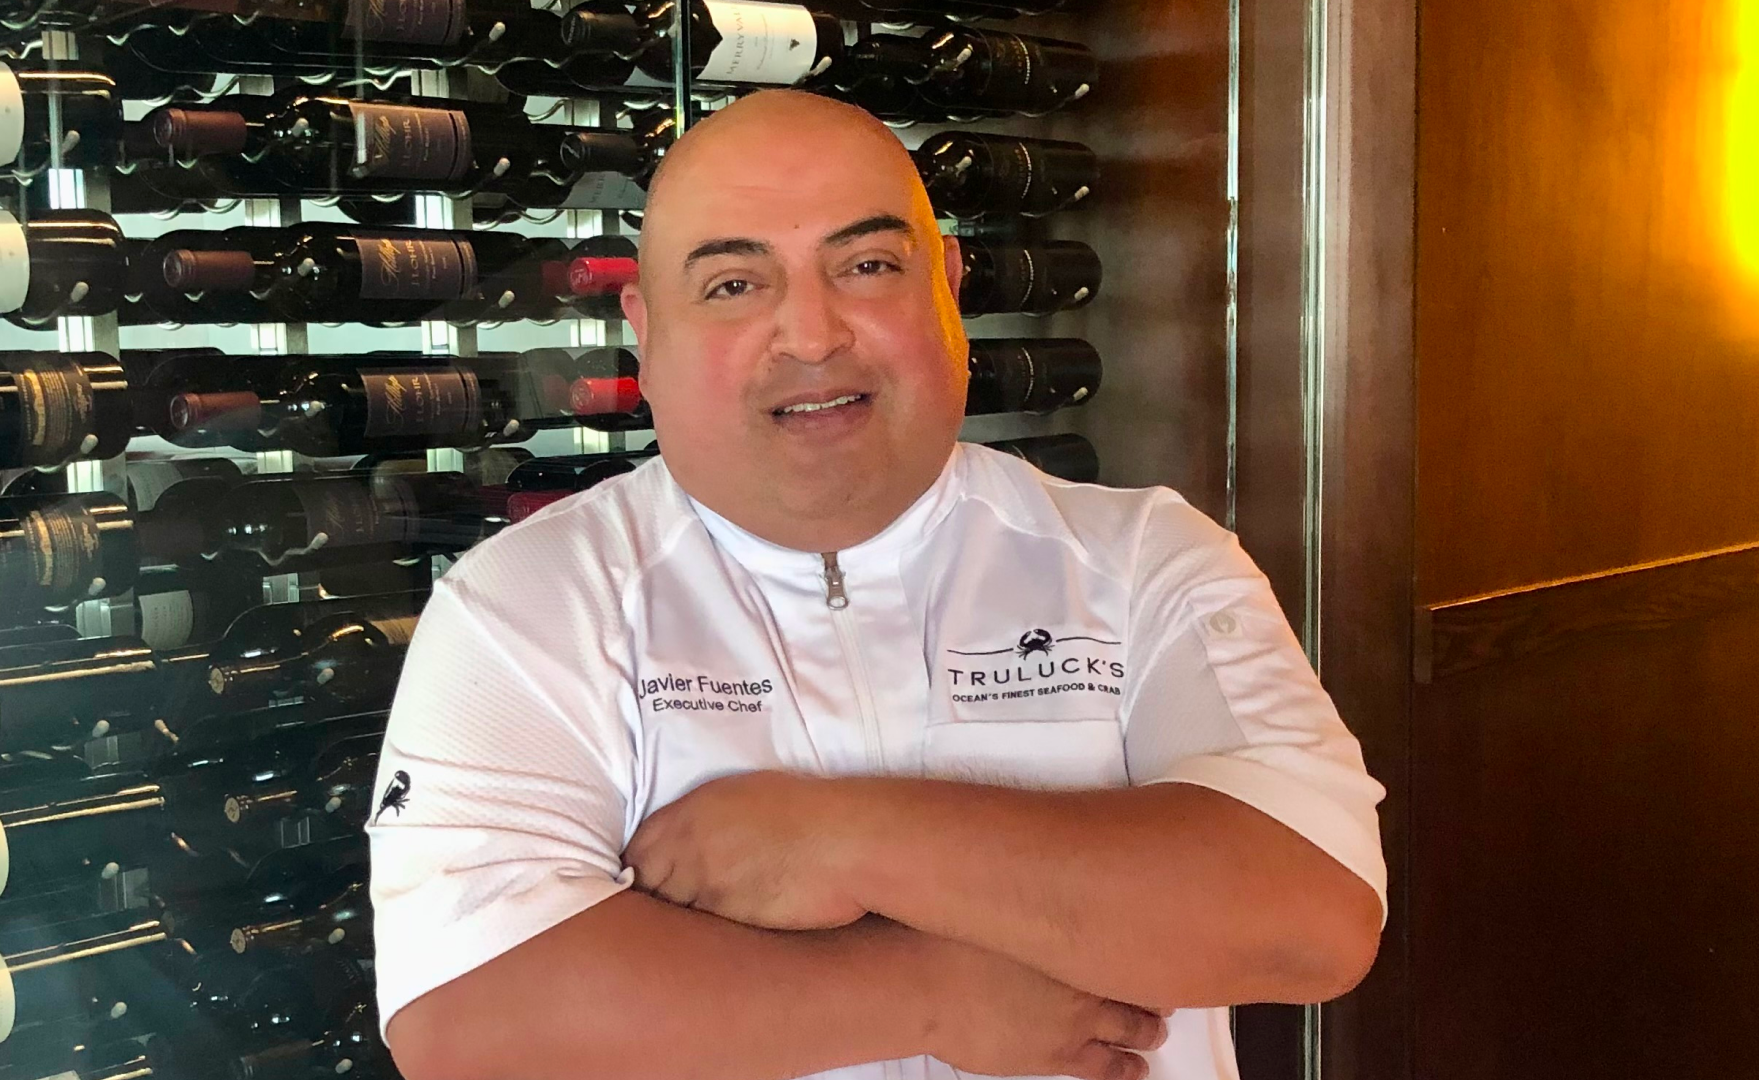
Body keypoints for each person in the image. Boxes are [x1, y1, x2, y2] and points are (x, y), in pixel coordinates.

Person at [368, 90, 1386, 1080]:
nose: (811, 335)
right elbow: (469, 1021)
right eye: (733, 285)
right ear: (645, 325)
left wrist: (839, 841)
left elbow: (1312, 918)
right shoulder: (526, 605)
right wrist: (926, 996)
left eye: (866, 265)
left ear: (946, 283)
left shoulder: (1143, 560)